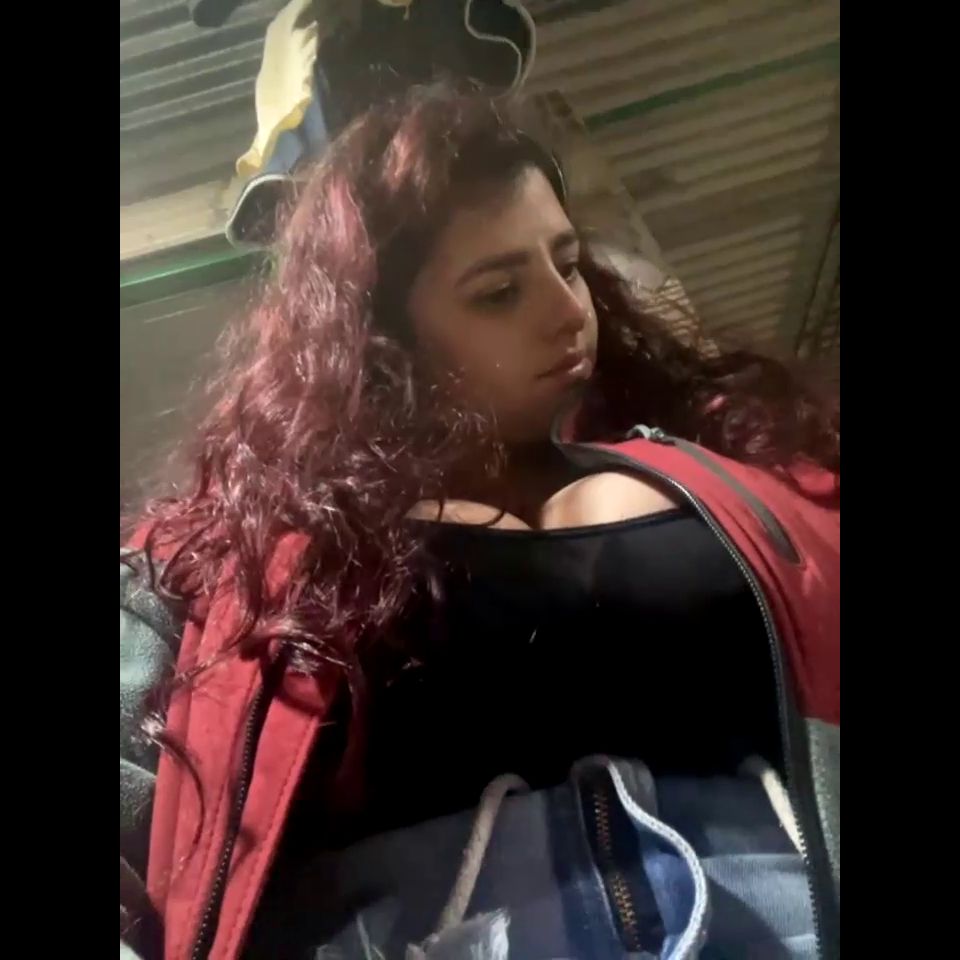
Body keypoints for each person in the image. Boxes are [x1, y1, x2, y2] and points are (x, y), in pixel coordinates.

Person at [120, 86, 839, 960]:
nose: (568, 311)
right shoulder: (223, 559)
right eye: (498, 292)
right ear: (382, 339)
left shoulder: (752, 477)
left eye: (568, 263)